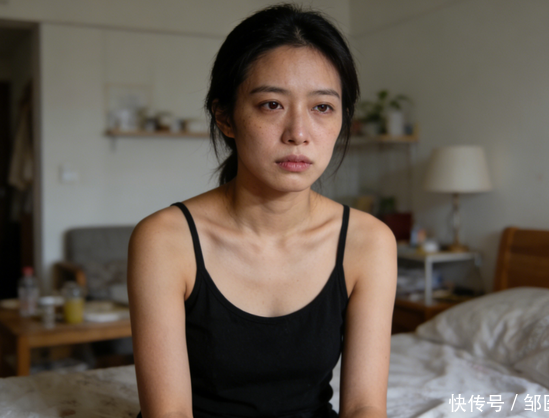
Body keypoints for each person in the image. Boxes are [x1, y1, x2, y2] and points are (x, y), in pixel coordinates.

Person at [128, 4, 397, 418]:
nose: (298, 134)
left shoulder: (369, 241)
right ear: (225, 117)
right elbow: (170, 413)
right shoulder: (165, 241)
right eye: (272, 104)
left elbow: (364, 405)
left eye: (322, 107)